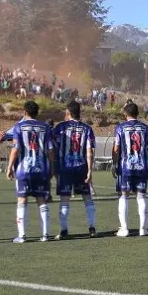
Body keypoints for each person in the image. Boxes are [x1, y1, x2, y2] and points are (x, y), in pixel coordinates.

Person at [7, 100, 57, 243]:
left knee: (22, 200)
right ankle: (45, 234)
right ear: (37, 112)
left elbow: (15, 148)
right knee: (42, 201)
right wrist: (52, 167)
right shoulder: (45, 127)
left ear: (25, 112)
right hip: (41, 169)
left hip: (24, 169)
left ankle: (22, 236)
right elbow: (50, 150)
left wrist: (10, 166)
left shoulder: (19, 127)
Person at [52, 100, 98, 239]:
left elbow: (52, 146)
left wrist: (54, 166)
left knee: (64, 199)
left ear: (68, 112)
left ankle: (64, 231)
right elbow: (89, 151)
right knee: (87, 199)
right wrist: (90, 170)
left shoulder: (60, 127)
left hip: (65, 168)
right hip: (81, 167)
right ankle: (92, 228)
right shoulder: (87, 129)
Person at [112, 102, 148, 237]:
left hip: (125, 168)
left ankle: (124, 229)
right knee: (141, 196)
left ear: (125, 114)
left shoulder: (120, 128)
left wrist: (114, 163)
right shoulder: (146, 128)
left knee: (123, 196)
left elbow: (116, 148)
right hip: (141, 166)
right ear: (138, 114)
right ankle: (143, 228)